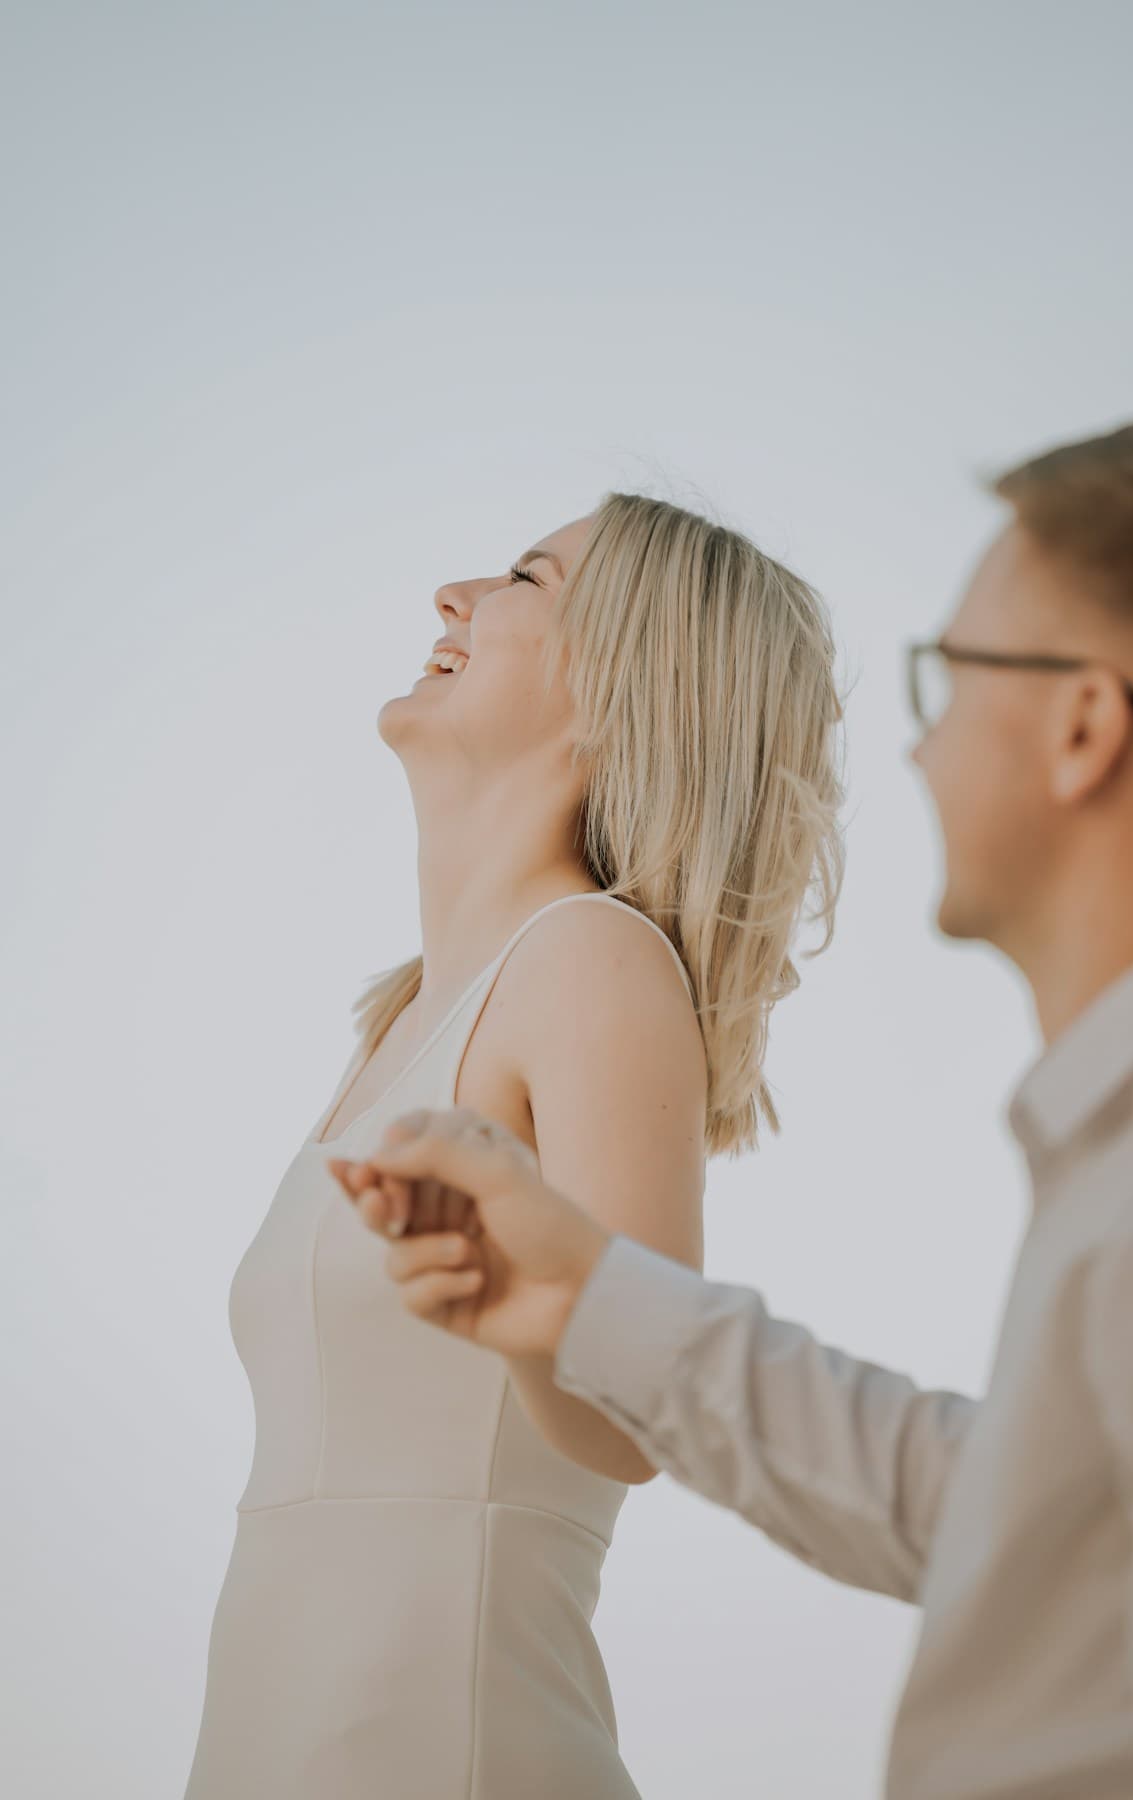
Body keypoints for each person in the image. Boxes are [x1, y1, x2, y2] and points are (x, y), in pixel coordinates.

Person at [337, 418, 1133, 1799]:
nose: (914, 750)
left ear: (1085, 725)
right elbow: (1006, 1510)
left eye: (952, 674)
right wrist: (589, 1304)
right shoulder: (1131, 1148)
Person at [184, 494, 845, 1799]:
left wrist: (530, 1317)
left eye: (524, 580)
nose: (455, 594)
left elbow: (641, 1410)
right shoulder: (404, 1018)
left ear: (625, 689)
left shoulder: (591, 960)